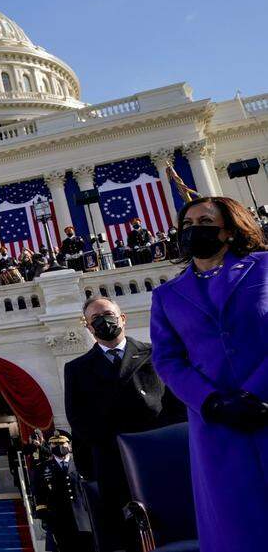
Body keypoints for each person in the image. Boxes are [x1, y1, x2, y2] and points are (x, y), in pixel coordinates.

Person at [149, 196, 268, 552]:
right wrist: (212, 402)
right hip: (217, 426)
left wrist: (256, 391)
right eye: (187, 224)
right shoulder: (167, 295)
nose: (193, 229)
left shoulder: (263, 267)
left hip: (264, 406)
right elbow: (168, 360)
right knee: (236, 526)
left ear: (229, 231)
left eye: (204, 221)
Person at [64, 295, 185, 551]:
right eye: (95, 318)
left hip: (160, 458)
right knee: (125, 537)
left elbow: (176, 407)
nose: (103, 321)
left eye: (107, 313)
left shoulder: (154, 354)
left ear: (122, 317)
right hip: (113, 465)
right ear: (87, 326)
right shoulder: (77, 368)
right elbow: (78, 420)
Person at [33, 432, 94, 552]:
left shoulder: (81, 464)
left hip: (84, 519)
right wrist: (46, 517)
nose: (59, 446)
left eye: (62, 443)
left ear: (69, 445)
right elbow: (39, 494)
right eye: (54, 444)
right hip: (59, 521)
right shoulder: (42, 468)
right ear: (50, 446)